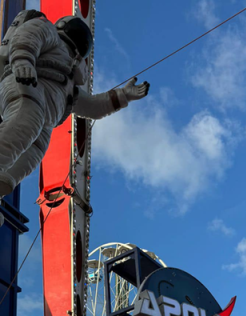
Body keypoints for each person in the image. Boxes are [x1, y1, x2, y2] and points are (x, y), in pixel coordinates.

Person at [0, 10, 150, 222]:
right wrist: (23, 61)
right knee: (26, 123)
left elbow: (95, 107)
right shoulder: (48, 32)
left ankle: (4, 181)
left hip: (45, 115)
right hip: (26, 85)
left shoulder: (69, 85)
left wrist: (124, 95)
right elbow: (28, 38)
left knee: (34, 152)